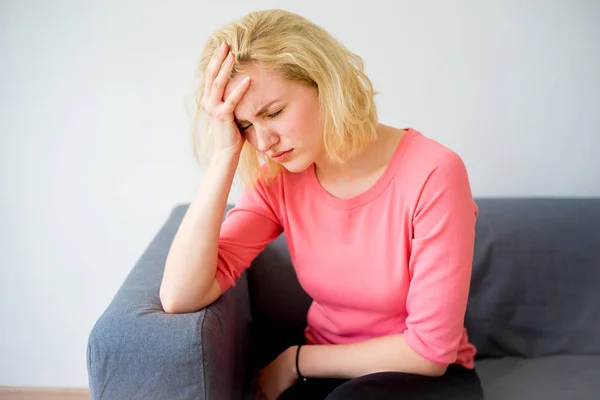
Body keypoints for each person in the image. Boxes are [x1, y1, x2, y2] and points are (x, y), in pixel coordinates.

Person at [160, 8, 484, 400]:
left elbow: (430, 352)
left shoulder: (434, 172)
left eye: (273, 112)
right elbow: (181, 296)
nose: (263, 143)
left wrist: (298, 360)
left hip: (424, 378)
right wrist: (225, 154)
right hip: (326, 381)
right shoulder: (278, 181)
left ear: (324, 83)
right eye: (245, 125)